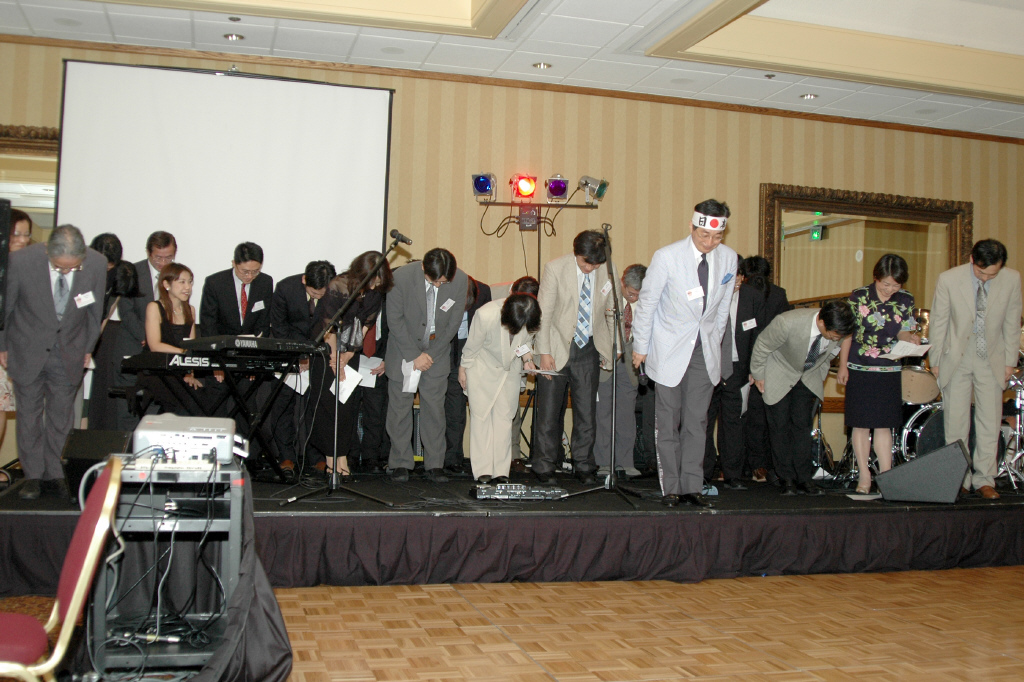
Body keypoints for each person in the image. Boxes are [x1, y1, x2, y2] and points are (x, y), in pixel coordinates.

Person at [632, 200, 738, 507]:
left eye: (716, 237)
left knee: (697, 422)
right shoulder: (667, 257)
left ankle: (692, 486)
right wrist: (641, 347)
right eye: (704, 235)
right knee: (668, 422)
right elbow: (648, 304)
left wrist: (716, 343)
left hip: (705, 351)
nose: (709, 242)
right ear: (692, 227)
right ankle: (671, 488)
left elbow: (723, 309)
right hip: (669, 349)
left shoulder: (729, 258)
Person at [1, 225, 106, 500]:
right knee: (29, 416)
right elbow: (5, 308)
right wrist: (2, 346)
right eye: (60, 267)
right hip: (26, 349)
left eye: (73, 267)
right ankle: (33, 476)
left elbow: (95, 313)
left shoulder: (96, 263)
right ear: (47, 251)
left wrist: (88, 348)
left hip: (70, 351)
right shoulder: (20, 261)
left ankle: (56, 474)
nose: (67, 272)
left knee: (62, 417)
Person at [930, 239, 1022, 500]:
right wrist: (935, 360)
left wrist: (1010, 362)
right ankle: (959, 477)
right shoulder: (949, 279)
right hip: (956, 356)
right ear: (972, 259)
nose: (985, 278)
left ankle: (985, 479)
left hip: (992, 357)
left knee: (990, 422)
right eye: (981, 272)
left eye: (992, 274)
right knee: (956, 422)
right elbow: (939, 321)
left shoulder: (1012, 279)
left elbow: (1012, 322)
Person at [533, 230, 615, 486]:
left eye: (595, 264)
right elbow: (543, 314)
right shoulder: (556, 268)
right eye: (585, 262)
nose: (590, 268)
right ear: (576, 253)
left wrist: (610, 347)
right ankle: (544, 466)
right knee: (548, 413)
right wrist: (544, 352)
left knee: (586, 413)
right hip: (556, 347)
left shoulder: (607, 271)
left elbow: (611, 311)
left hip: (588, 348)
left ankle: (584, 465)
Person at [750, 300, 857, 496]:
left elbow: (831, 352)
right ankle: (786, 478)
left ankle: (804, 478)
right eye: (835, 335)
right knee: (780, 427)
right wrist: (758, 375)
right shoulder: (787, 322)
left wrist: (822, 374)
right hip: (779, 371)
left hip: (808, 376)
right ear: (822, 323)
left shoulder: (837, 329)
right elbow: (762, 345)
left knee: (803, 427)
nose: (838, 338)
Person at [837, 254, 919, 493]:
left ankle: (886, 477)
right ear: (876, 277)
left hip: (889, 368)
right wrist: (843, 365)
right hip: (859, 367)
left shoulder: (906, 299)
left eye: (896, 285)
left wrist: (910, 338)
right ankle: (864, 476)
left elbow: (904, 330)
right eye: (886, 284)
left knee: (884, 424)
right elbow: (848, 334)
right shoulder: (859, 296)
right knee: (861, 424)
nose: (890, 289)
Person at [385, 248, 468, 483]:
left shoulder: (460, 279)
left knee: (434, 410)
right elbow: (395, 320)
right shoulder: (400, 277)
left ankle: (434, 464)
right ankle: (400, 462)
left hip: (436, 354)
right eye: (435, 281)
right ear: (423, 267)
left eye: (444, 282)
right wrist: (414, 355)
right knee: (400, 409)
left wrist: (430, 354)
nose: (440, 286)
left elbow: (453, 323)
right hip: (404, 351)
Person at [305, 252, 388, 478]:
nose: (374, 286)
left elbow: (366, 325)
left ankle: (342, 457)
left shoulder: (375, 293)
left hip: (351, 352)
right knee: (328, 407)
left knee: (346, 407)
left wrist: (349, 354)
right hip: (326, 351)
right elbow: (328, 327)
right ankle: (331, 460)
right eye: (372, 281)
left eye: (378, 282)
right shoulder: (338, 286)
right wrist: (335, 359)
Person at [459, 293, 541, 483]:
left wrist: (528, 360)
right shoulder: (485, 315)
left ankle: (501, 471)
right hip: (482, 368)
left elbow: (526, 342)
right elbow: (472, 347)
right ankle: (483, 470)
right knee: (481, 418)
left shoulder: (531, 316)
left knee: (505, 419)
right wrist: (463, 369)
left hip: (509, 371)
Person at [704, 258, 767, 490]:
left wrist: (755, 368)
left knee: (734, 423)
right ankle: (703, 472)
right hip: (709, 366)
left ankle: (732, 473)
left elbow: (760, 336)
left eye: (740, 276)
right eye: (733, 277)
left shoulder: (753, 297)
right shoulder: (708, 293)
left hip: (738, 368)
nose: (737, 281)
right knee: (704, 420)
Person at [269, 260, 336, 476]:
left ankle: (316, 457)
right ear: (304, 280)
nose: (317, 297)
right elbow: (279, 326)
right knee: (283, 405)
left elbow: (332, 325)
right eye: (313, 293)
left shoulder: (335, 292)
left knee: (316, 407)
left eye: (321, 294)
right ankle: (286, 455)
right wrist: (299, 354)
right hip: (288, 353)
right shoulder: (285, 288)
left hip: (319, 353)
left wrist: (313, 353)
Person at [113, 230, 177, 429]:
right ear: (149, 253)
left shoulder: (177, 276)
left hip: (159, 356)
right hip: (133, 347)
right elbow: (126, 311)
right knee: (128, 407)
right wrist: (148, 337)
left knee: (155, 409)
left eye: (169, 257)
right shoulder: (132, 272)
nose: (163, 262)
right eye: (158, 257)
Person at [738, 255, 792, 483]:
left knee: (744, 417)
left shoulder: (743, 292)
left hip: (742, 359)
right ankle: (766, 466)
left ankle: (747, 465)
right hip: (773, 362)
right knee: (769, 417)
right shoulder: (779, 294)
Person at [135, 263, 213, 415]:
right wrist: (182, 352)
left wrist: (190, 373)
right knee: (180, 399)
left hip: (179, 369)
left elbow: (191, 345)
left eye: (190, 282)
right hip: (156, 370)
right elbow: (155, 345)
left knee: (199, 397)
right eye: (182, 282)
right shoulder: (154, 307)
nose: (188, 287)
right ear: (166, 284)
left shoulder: (190, 310)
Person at [594, 263, 646, 479]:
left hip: (631, 361)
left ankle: (626, 462)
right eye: (631, 294)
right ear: (622, 283)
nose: (634, 298)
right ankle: (604, 462)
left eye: (638, 295)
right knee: (603, 413)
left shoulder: (647, 301)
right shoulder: (607, 293)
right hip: (606, 358)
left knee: (626, 415)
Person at [443, 275, 491, 475]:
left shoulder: (484, 291)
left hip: (469, 350)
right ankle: (436, 458)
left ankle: (453, 458)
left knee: (457, 409)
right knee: (438, 409)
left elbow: (487, 329)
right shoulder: (443, 288)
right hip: (442, 348)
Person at [0, 209, 35, 465]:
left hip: (12, 347)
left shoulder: (27, 267)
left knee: (1, 407)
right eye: (17, 234)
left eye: (26, 234)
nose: (22, 240)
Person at [199, 241, 274, 337]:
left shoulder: (265, 282)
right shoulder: (215, 283)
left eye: (255, 271)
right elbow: (208, 323)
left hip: (254, 343)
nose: (250, 276)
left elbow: (264, 321)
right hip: (223, 342)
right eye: (245, 271)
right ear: (234, 263)